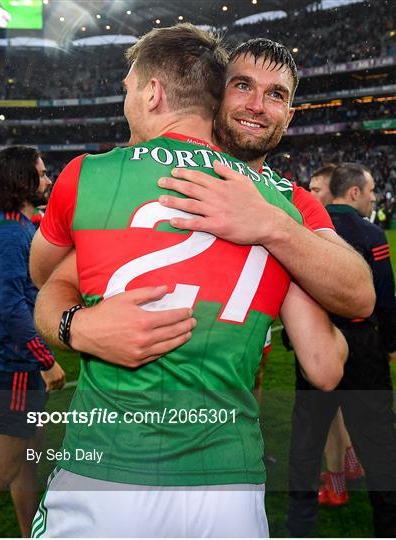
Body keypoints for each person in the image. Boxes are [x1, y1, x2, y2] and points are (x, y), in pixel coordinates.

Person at [30, 25, 347, 538]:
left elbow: (43, 275)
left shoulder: (89, 174)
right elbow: (324, 363)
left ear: (152, 92)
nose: (126, 99)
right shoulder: (277, 205)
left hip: (108, 470)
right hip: (229, 484)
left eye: (129, 88)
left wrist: (79, 325)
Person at [29, 39, 374, 369]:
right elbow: (55, 284)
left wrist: (273, 226)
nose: (256, 104)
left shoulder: (291, 202)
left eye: (275, 95)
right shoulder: (159, 175)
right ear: (216, 96)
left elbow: (358, 296)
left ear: (288, 116)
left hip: (234, 414)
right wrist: (80, 327)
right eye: (242, 86)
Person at [287, 163, 396, 538]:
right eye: (368, 192)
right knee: (379, 447)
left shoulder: (303, 227)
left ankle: (300, 525)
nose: (371, 199)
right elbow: (385, 298)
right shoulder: (369, 232)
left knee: (305, 448)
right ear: (352, 192)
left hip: (313, 340)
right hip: (362, 346)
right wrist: (391, 344)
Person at [0, 146, 65, 537]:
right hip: (11, 367)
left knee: (24, 463)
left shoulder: (15, 225)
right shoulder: (8, 232)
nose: (47, 179)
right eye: (40, 172)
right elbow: (11, 305)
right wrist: (45, 360)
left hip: (13, 365)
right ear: (21, 180)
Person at [309, 163, 364, 507]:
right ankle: (352, 463)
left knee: (324, 416)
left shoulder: (323, 232)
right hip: (353, 336)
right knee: (338, 409)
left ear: (333, 191)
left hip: (327, 337)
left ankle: (337, 485)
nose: (311, 195)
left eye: (316, 190)